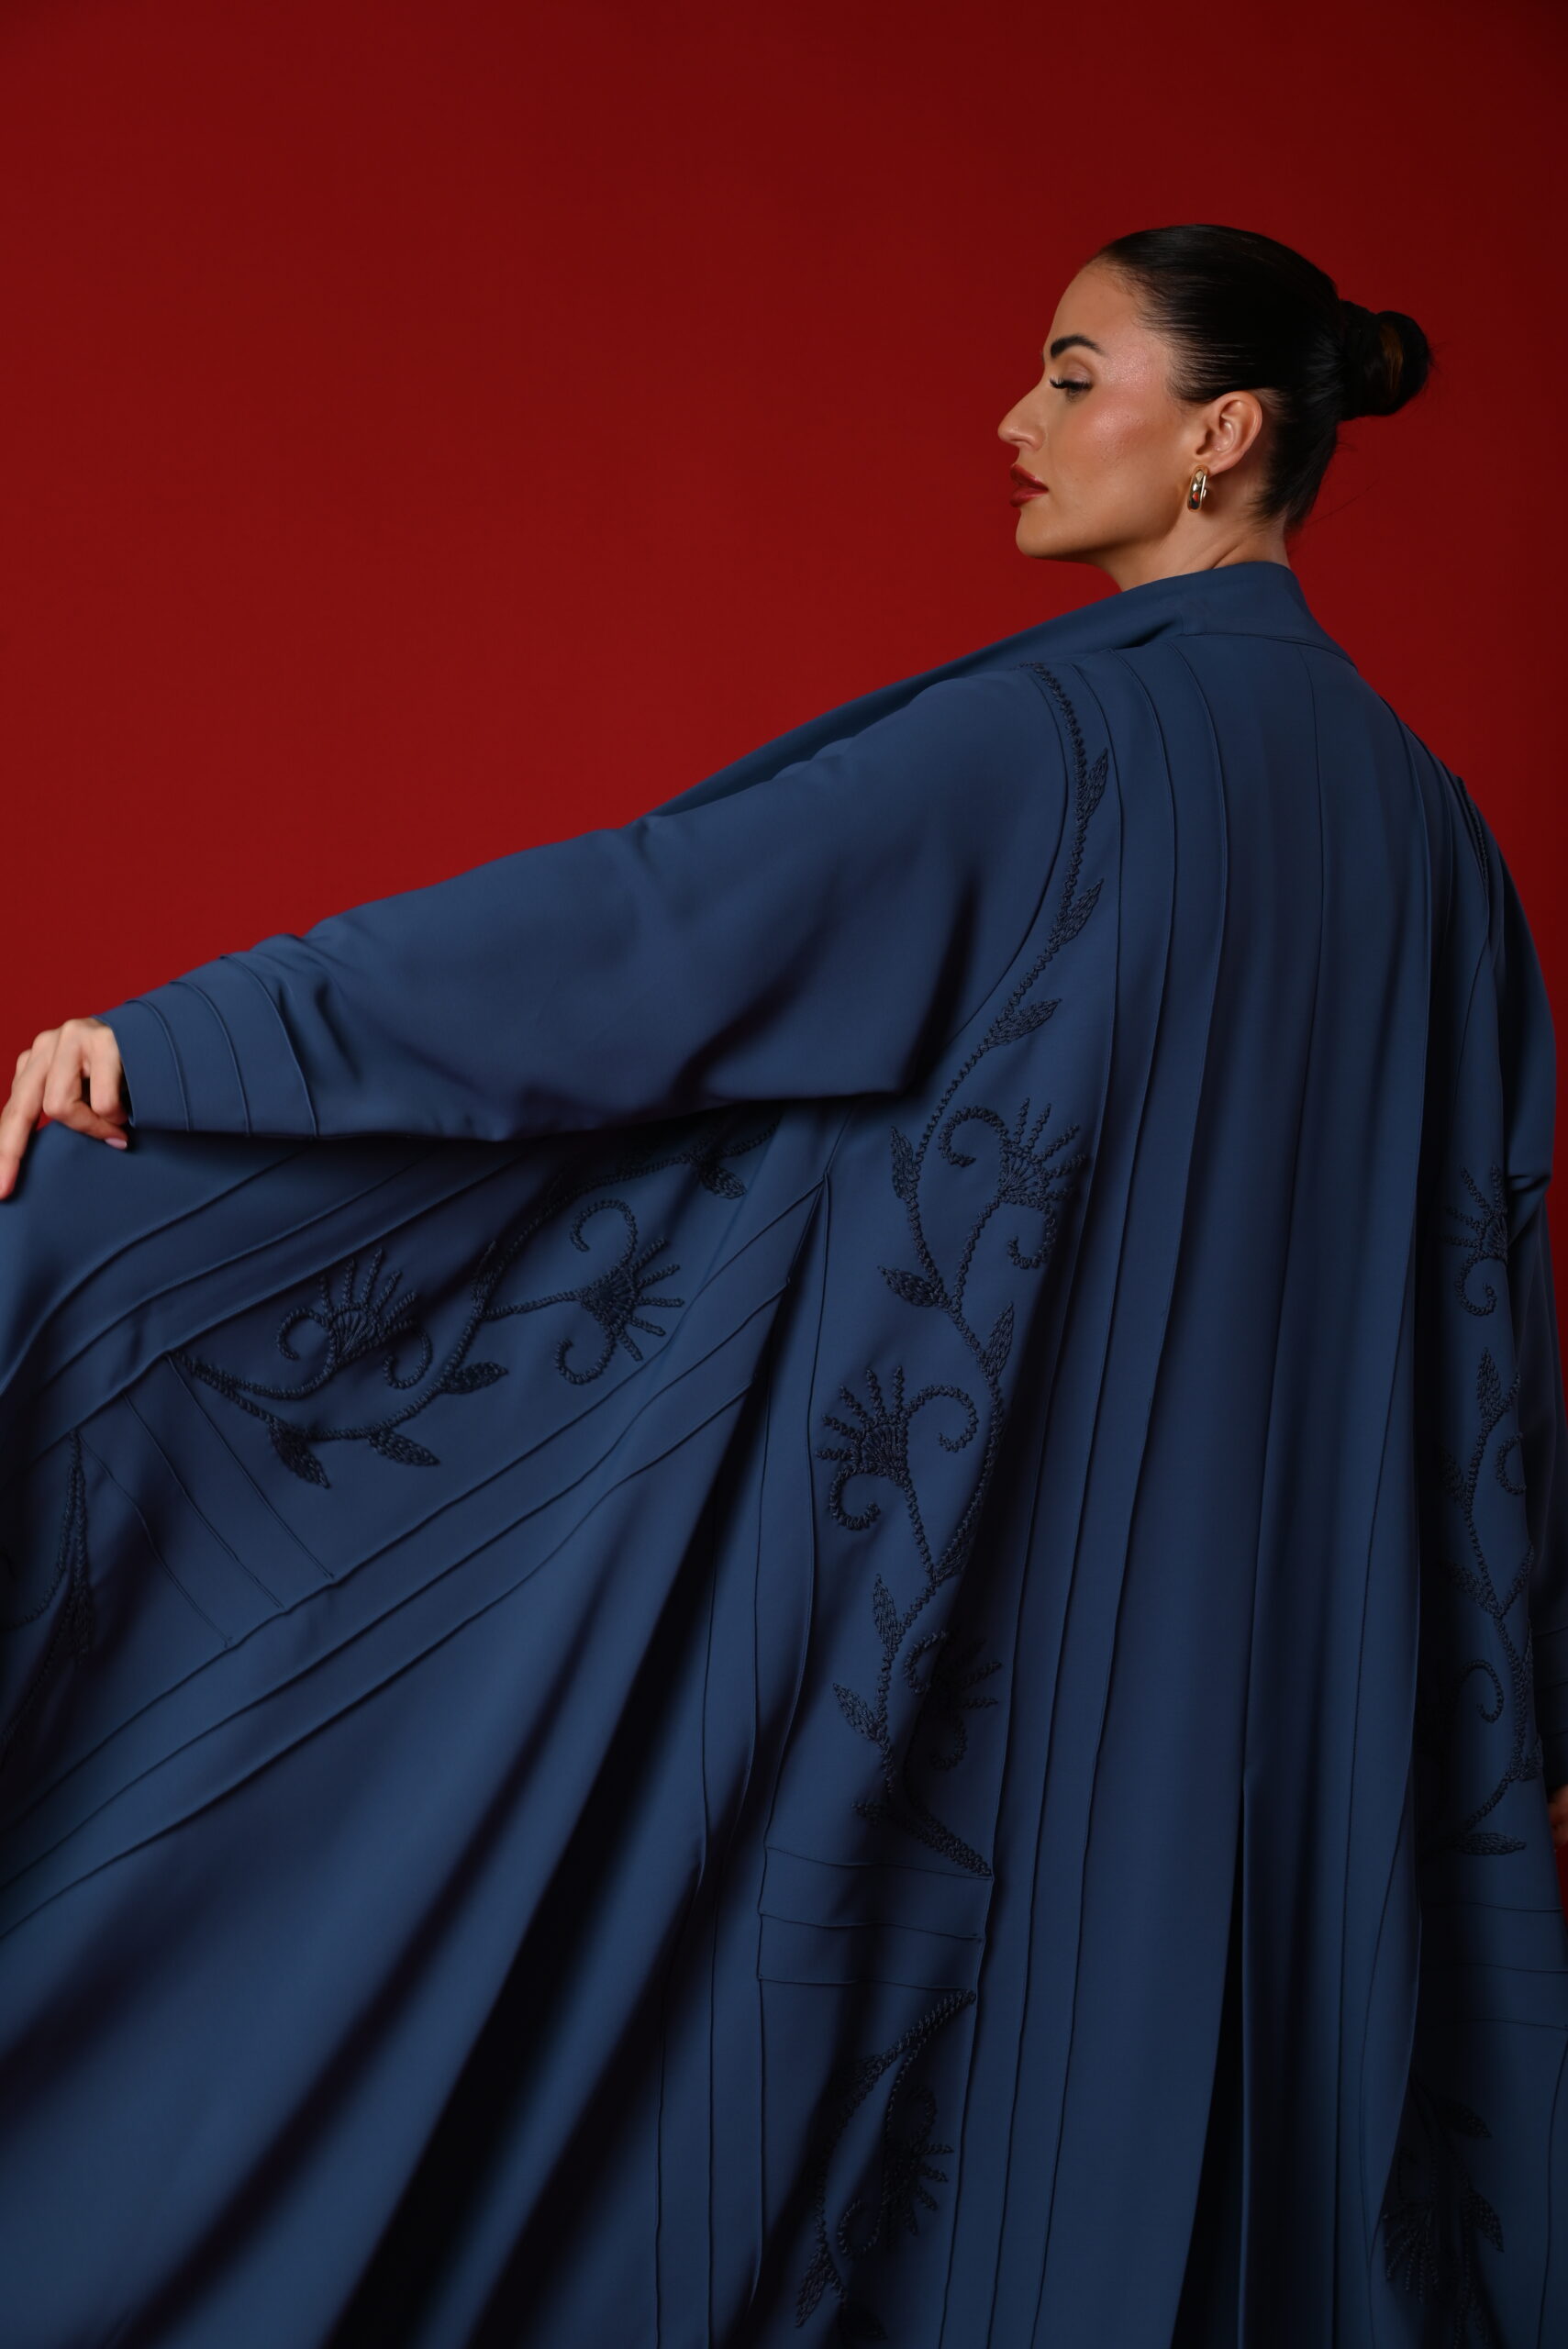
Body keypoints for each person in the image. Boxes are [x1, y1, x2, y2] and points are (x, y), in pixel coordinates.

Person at [0, 220, 1564, 2348]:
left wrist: (202, 1047)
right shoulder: (1445, 847)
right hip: (1305, 1690)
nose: (1017, 417)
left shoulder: (1062, 751)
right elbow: (1484, 1307)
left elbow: (652, 938)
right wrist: (1527, 1684)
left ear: (1219, 434)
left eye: (1072, 372)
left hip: (997, 1653)